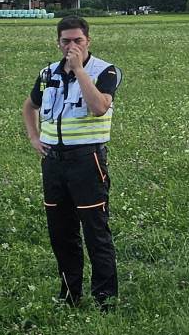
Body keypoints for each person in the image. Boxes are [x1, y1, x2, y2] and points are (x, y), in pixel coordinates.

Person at [25, 16, 122, 308]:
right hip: (53, 162)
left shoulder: (105, 70)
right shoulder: (47, 74)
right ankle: (70, 294)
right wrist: (33, 137)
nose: (71, 46)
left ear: (88, 41)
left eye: (78, 40)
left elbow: (99, 108)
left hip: (87, 160)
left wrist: (79, 70)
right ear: (57, 42)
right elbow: (30, 106)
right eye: (66, 41)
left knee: (95, 231)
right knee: (61, 233)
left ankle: (105, 297)